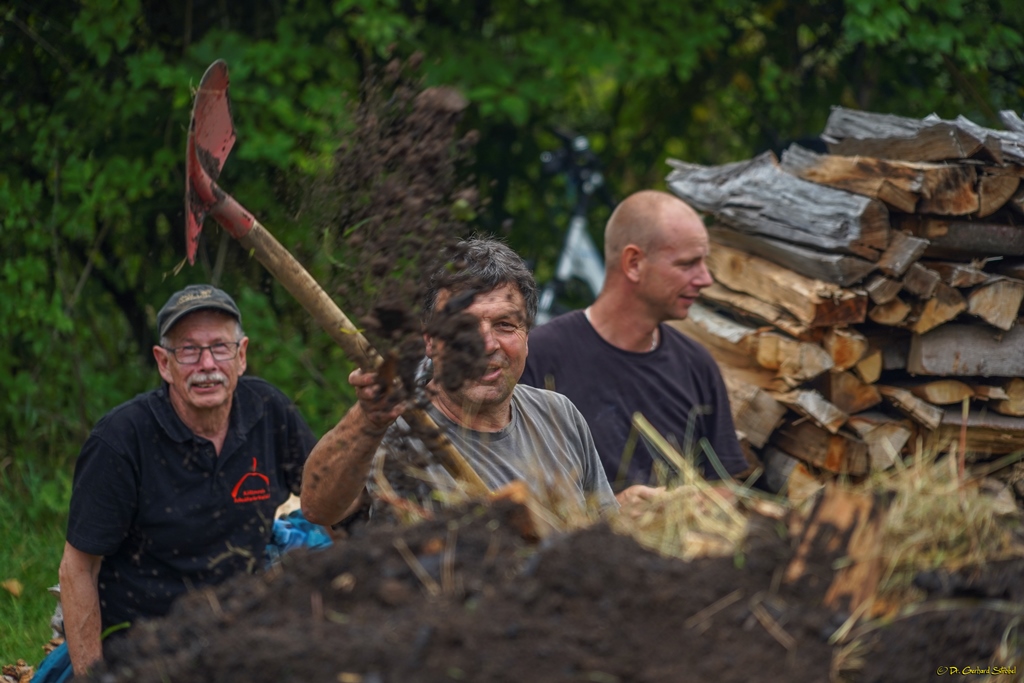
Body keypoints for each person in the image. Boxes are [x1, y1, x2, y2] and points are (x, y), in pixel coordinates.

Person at [59, 285, 316, 676]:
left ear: (241, 355)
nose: (207, 364)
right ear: (164, 364)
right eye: (189, 351)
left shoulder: (269, 412)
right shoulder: (121, 441)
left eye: (220, 348)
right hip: (146, 639)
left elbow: (329, 502)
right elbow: (77, 568)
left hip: (242, 629)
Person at [301, 238, 616, 528]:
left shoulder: (559, 417)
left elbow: (608, 534)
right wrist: (367, 419)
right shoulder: (397, 426)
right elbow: (318, 510)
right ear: (430, 341)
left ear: (526, 336)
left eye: (505, 325)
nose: (485, 344)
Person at [519, 190, 747, 506]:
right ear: (634, 263)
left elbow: (724, 487)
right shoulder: (538, 356)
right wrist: (609, 511)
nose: (705, 278)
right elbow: (513, 487)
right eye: (688, 264)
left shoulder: (696, 365)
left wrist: (694, 505)